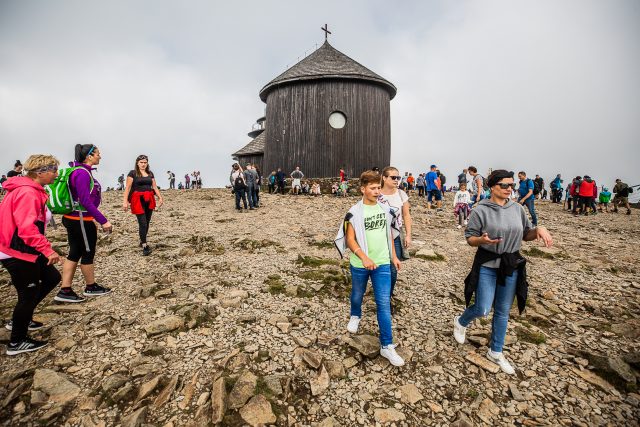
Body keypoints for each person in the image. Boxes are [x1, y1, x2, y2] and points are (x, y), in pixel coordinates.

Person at [453, 169, 553, 374]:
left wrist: (539, 230)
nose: (510, 189)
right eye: (505, 185)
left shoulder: (517, 209)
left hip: (511, 264)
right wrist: (482, 240)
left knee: (502, 311)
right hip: (488, 264)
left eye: (512, 185)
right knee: (482, 308)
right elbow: (470, 237)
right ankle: (461, 321)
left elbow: (526, 235)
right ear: (492, 187)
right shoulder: (480, 209)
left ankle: (495, 352)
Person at [334, 170, 404, 367]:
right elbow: (349, 239)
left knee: (383, 303)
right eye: (372, 188)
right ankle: (355, 315)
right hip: (360, 264)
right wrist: (364, 258)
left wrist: (394, 256)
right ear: (363, 189)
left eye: (378, 188)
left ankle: (387, 345)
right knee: (357, 293)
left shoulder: (384, 210)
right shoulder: (354, 212)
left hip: (382, 263)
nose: (376, 191)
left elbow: (389, 234)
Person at [0, 155, 62, 355]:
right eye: (53, 170)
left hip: (25, 249)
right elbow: (27, 229)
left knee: (52, 277)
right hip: (17, 251)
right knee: (27, 294)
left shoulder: (28, 189)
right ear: (41, 172)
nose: (56, 174)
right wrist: (47, 249)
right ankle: (16, 342)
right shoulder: (28, 193)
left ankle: (22, 319)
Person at [56, 144, 113, 303]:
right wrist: (103, 221)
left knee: (74, 251)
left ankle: (65, 290)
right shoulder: (82, 173)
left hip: (76, 218)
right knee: (87, 252)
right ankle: (90, 287)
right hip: (80, 219)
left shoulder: (79, 171)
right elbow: (85, 201)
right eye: (97, 154)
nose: (100, 156)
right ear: (89, 156)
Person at [378, 167, 412, 306]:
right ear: (384, 178)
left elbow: (406, 215)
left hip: (396, 234)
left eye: (398, 178)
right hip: (378, 236)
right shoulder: (377, 193)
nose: (396, 180)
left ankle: (388, 295)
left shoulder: (401, 194)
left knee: (393, 266)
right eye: (393, 177)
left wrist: (408, 235)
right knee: (380, 265)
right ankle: (380, 291)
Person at [123, 155, 164, 256]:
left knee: (147, 221)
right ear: (137, 163)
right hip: (137, 200)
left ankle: (142, 240)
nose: (143, 164)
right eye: (141, 162)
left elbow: (154, 186)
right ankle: (145, 246)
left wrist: (160, 197)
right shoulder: (132, 173)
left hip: (149, 199)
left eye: (145, 162)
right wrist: (125, 201)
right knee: (143, 223)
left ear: (147, 163)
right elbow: (127, 188)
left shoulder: (150, 173)